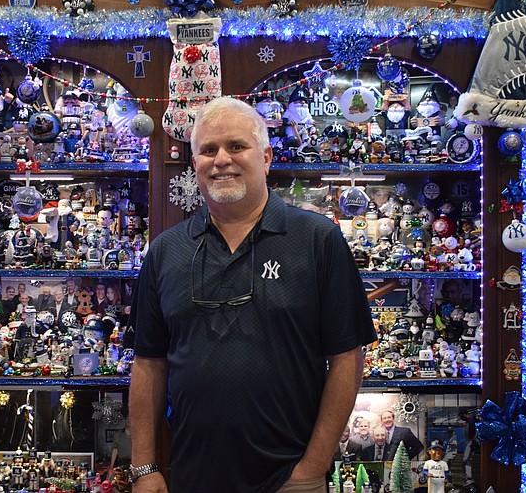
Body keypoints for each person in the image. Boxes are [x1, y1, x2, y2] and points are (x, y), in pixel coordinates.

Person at [129, 97, 375, 493]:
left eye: (236, 146)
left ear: (265, 157)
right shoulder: (166, 250)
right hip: (191, 478)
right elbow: (148, 363)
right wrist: (144, 466)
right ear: (195, 164)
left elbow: (347, 357)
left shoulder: (316, 240)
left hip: (290, 480)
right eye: (208, 150)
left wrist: (312, 468)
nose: (221, 159)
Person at [109, 414, 133, 478]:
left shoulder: (137, 436)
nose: (129, 421)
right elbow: (115, 450)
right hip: (121, 464)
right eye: (127, 419)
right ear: (125, 420)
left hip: (134, 464)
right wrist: (111, 467)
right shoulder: (118, 435)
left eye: (131, 419)